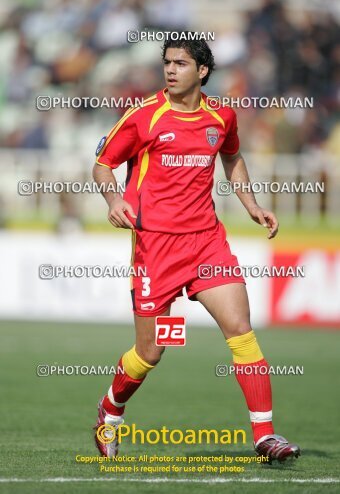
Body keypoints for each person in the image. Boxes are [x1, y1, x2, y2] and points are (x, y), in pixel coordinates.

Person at [92, 36, 300, 463]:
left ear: (202, 71)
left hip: (207, 242)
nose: (170, 70)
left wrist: (252, 204)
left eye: (181, 64)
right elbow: (102, 165)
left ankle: (264, 436)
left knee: (241, 331)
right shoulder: (144, 117)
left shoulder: (221, 115)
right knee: (151, 351)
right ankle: (110, 410)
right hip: (156, 248)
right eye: (167, 63)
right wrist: (115, 200)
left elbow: (233, 156)